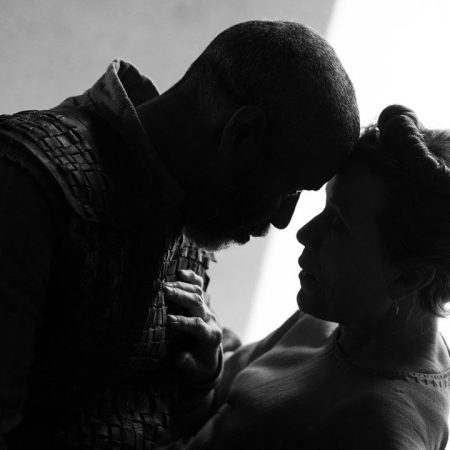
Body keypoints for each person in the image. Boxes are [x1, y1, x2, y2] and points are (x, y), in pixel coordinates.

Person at [0, 20, 359, 450]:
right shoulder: (24, 184)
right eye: (289, 191)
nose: (284, 221)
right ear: (240, 133)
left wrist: (203, 376)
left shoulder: (184, 208)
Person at [160, 105, 450, 449]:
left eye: (339, 225)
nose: (305, 233)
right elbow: (227, 412)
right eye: (325, 209)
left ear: (409, 278)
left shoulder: (381, 432)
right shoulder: (340, 313)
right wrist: (208, 369)